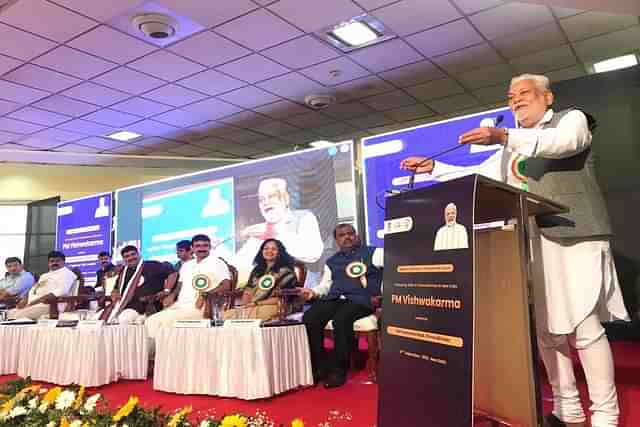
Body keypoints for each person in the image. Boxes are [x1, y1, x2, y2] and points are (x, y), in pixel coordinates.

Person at [401, 73, 628, 427]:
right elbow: (478, 175)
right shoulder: (510, 146)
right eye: (511, 96)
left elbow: (563, 143)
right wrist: (435, 168)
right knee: (546, 331)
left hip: (575, 236)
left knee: (583, 329)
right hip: (529, 242)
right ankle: (567, 407)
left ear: (547, 97)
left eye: (524, 93)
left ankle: (605, 415)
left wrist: (504, 135)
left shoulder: (572, 119)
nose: (516, 100)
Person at [302, 224, 383, 388]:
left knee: (341, 319)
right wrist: (313, 292)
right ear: (337, 240)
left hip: (361, 300)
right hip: (336, 298)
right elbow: (326, 285)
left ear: (356, 235)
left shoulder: (374, 253)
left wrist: (383, 293)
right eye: (342, 235)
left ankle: (339, 371)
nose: (347, 237)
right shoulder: (332, 261)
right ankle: (319, 368)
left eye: (350, 233)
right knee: (310, 317)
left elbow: (395, 269)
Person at [234, 178, 324, 283]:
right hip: (266, 289)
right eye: (261, 199)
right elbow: (239, 263)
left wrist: (274, 233)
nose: (265, 203)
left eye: (271, 196)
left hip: (302, 289)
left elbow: (313, 252)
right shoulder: (261, 230)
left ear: (285, 199)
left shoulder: (304, 217)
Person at [145, 234, 231, 340]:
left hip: (201, 307)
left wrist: (205, 295)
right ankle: (165, 352)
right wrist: (171, 295)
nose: (202, 248)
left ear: (209, 247)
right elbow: (180, 285)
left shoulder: (217, 262)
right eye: (198, 246)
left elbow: (226, 285)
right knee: (151, 321)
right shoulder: (187, 265)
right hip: (179, 306)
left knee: (155, 321)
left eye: (205, 245)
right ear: (192, 248)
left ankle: (160, 353)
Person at [224, 239, 298, 321]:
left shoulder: (286, 272)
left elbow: (284, 298)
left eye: (273, 249)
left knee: (235, 318)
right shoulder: (257, 270)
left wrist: (256, 303)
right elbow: (248, 291)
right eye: (266, 248)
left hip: (277, 306)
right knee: (226, 315)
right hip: (254, 306)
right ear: (261, 251)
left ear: (279, 253)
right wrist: (246, 305)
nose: (269, 251)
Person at [99, 245, 176, 324]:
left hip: (148, 305)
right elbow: (116, 288)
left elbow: (172, 273)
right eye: (127, 256)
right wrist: (115, 293)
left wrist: (167, 291)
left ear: (138, 254)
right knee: (101, 318)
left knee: (123, 319)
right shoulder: (124, 272)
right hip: (126, 305)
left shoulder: (152, 265)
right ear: (124, 259)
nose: (131, 258)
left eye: (133, 254)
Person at [7, 251, 77, 320]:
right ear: (48, 263)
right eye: (52, 261)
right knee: (8, 314)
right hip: (35, 305)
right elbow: (34, 289)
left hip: (52, 305)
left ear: (63, 262)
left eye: (58, 261)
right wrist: (24, 300)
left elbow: (62, 291)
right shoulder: (45, 275)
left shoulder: (67, 274)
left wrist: (35, 302)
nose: (54, 263)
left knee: (17, 316)